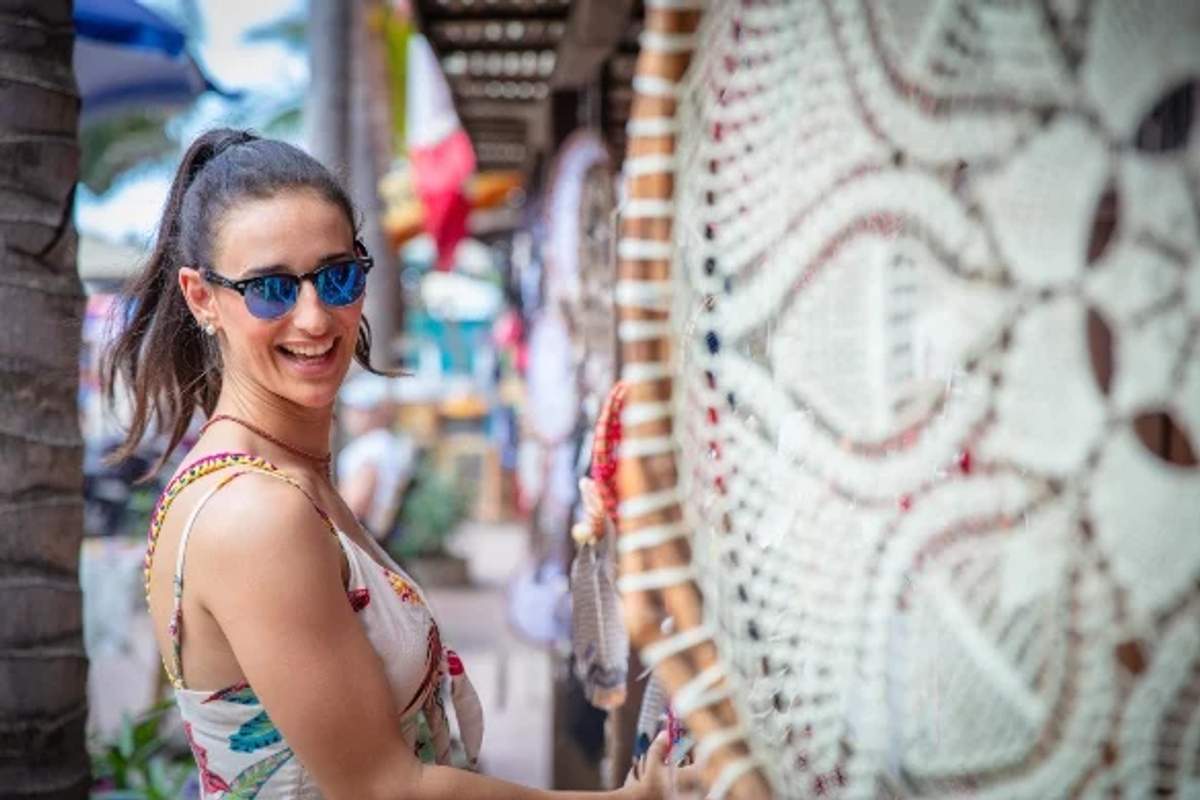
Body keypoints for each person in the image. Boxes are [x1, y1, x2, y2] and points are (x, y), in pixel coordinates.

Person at [102, 129, 691, 799]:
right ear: (202, 297)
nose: (315, 317)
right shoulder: (255, 513)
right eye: (269, 288)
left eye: (337, 276)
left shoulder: (287, 476)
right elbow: (386, 788)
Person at [336, 374, 416, 540]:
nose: (350, 415)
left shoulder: (370, 448)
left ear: (376, 412)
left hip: (359, 535)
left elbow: (356, 503)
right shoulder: (388, 444)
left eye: (357, 409)